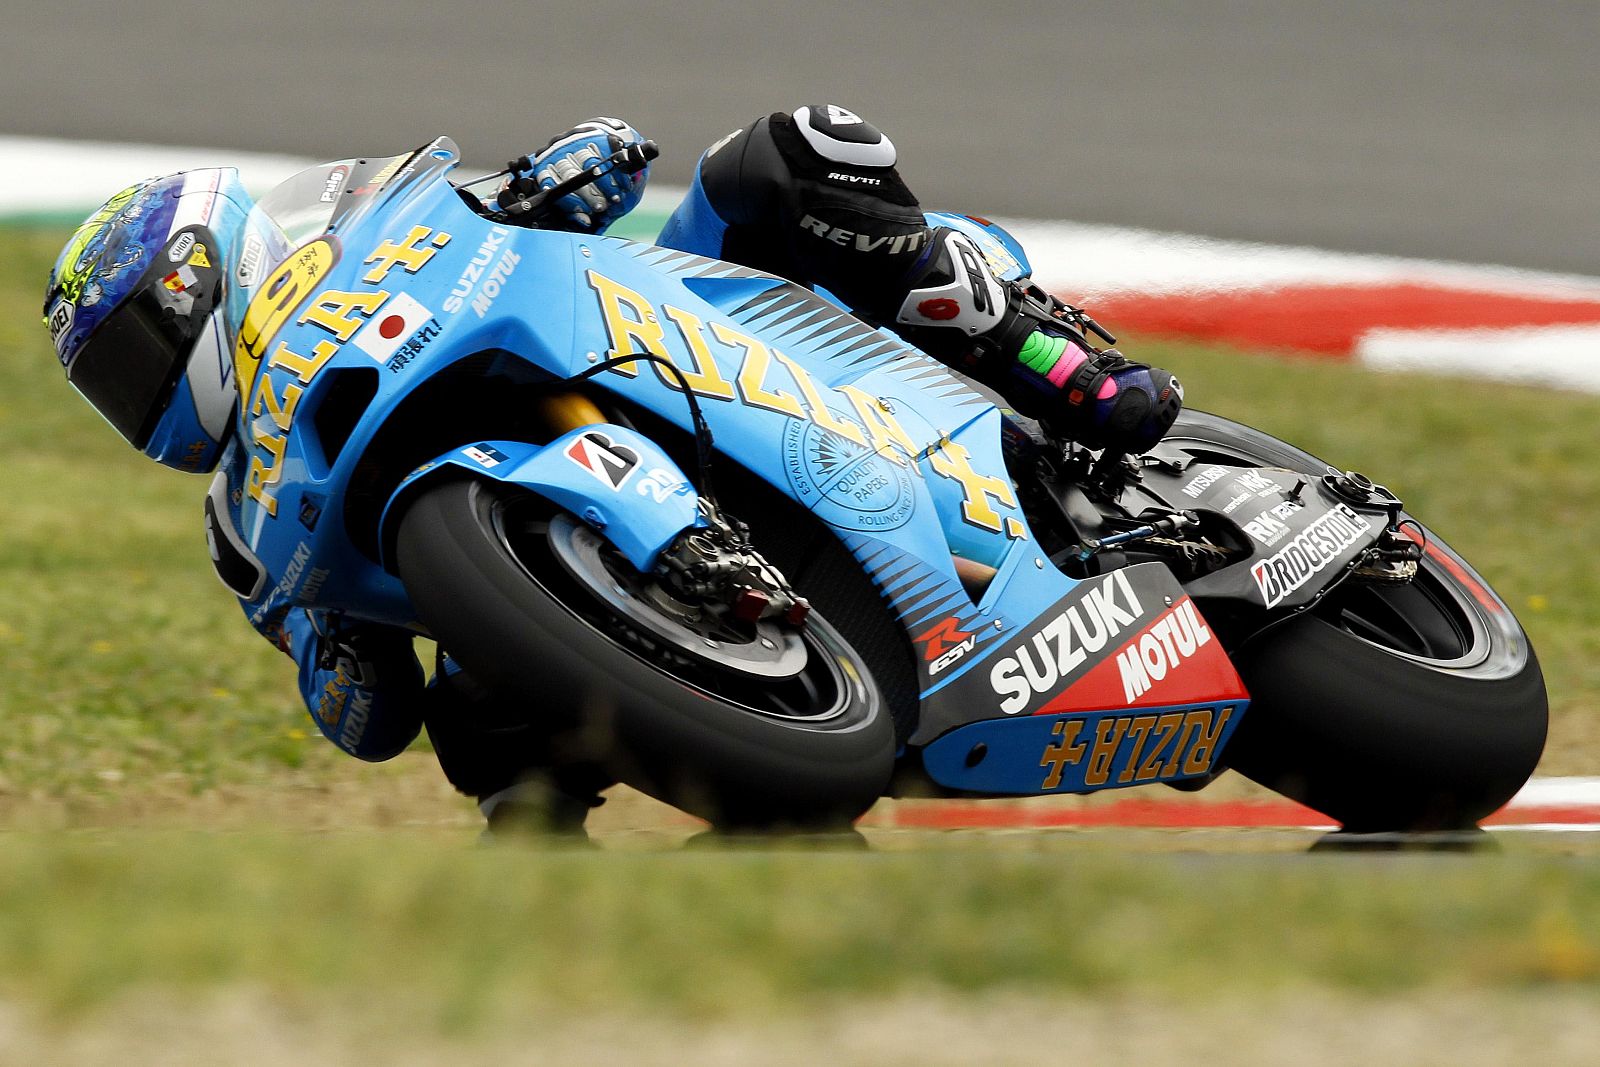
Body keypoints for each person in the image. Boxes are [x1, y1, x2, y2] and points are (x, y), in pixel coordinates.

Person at [43, 107, 1182, 836]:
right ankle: (589, 893)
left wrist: (569, 174)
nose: (141, 389)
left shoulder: (396, 231)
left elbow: (590, 172)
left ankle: (1053, 361)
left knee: (785, 156)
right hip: (591, 578)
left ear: (213, 269)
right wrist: (334, 640)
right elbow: (365, 717)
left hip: (688, 333)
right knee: (481, 743)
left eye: (143, 344)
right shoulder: (246, 522)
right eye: (117, 384)